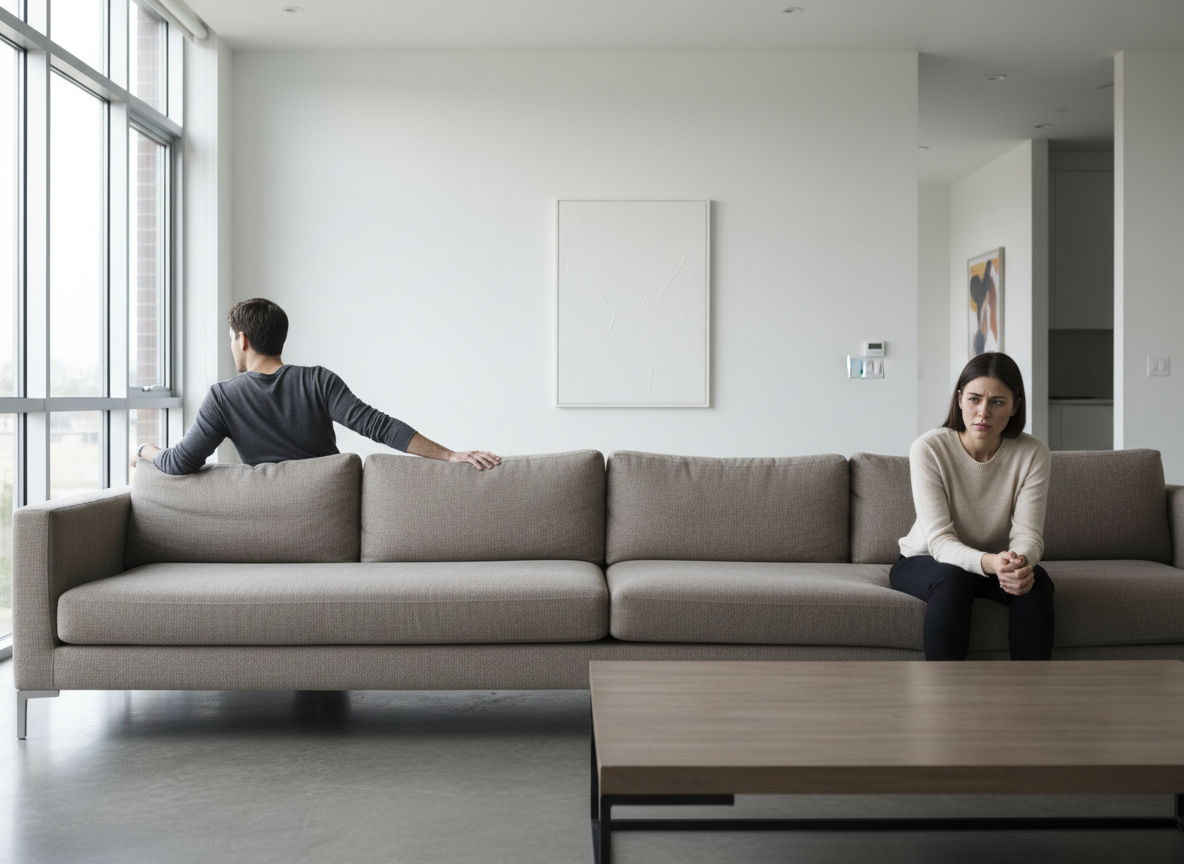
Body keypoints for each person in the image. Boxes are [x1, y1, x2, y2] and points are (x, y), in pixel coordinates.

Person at [132, 298, 501, 474]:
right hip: (327, 509)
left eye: (231, 339)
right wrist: (450, 455)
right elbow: (378, 425)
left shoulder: (223, 397)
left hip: (274, 520)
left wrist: (145, 449)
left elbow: (181, 461)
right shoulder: (317, 381)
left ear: (242, 340)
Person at [891, 351, 1053, 661]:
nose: (983, 413)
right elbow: (939, 541)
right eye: (975, 399)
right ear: (960, 399)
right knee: (953, 579)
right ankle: (945, 696)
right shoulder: (930, 448)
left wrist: (1018, 563)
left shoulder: (1033, 453)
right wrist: (992, 563)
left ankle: (1031, 695)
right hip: (926, 559)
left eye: (997, 402)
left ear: (1015, 406)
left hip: (998, 563)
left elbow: (1029, 533)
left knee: (1035, 581)